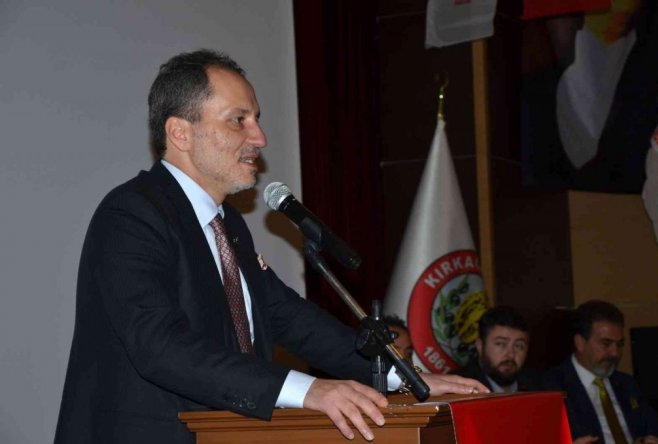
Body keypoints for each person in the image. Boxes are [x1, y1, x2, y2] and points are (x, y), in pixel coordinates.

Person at [54, 49, 488, 444]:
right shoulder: (131, 215)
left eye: (257, 119)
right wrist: (309, 389)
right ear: (180, 133)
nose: (260, 138)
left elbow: (289, 318)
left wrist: (403, 377)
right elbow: (159, 345)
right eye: (238, 120)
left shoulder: (228, 225)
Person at [543, 300, 658, 444]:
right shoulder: (551, 387)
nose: (615, 353)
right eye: (606, 344)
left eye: (619, 344)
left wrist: (653, 440)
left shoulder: (627, 384)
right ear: (580, 343)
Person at [454, 306, 541, 393]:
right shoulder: (457, 387)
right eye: (501, 344)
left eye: (519, 346)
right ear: (480, 346)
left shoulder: (538, 385)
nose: (511, 354)